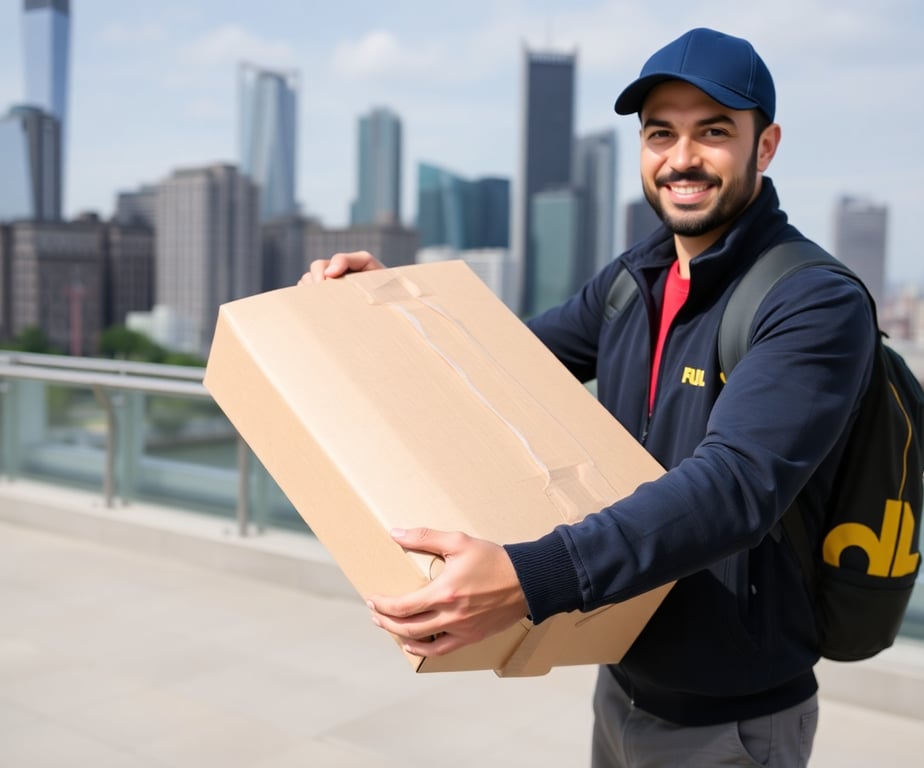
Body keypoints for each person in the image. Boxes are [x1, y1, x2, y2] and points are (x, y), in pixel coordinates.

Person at [300, 27, 874, 768]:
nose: (681, 159)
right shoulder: (632, 281)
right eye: (660, 133)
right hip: (622, 677)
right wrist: (390, 301)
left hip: (734, 720)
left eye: (714, 133)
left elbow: (735, 487)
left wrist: (528, 577)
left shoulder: (811, 301)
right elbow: (498, 364)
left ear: (765, 147)